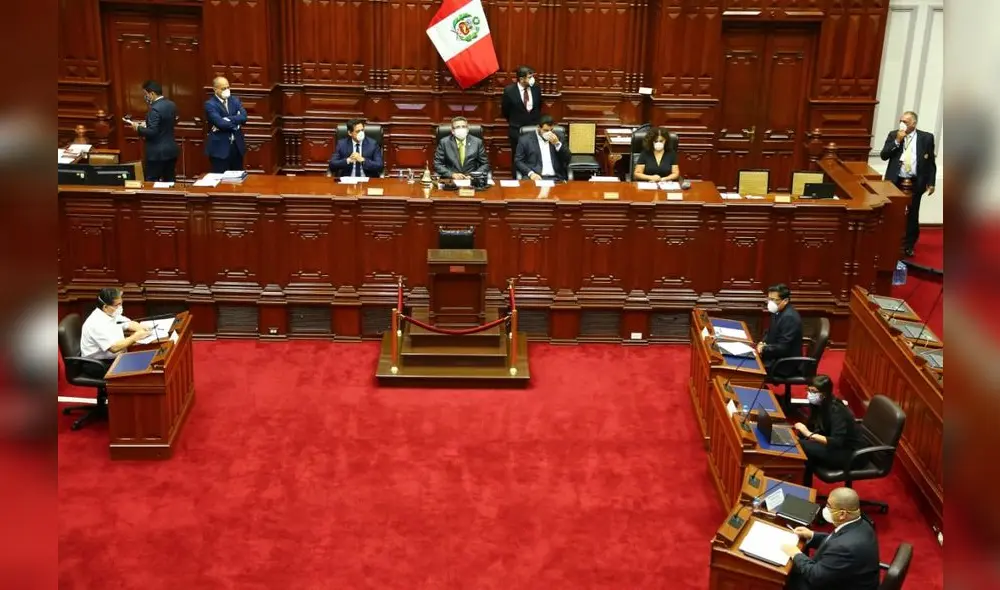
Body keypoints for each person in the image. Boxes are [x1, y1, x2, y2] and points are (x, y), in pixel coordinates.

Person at [781, 487, 880, 590]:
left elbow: (816, 577)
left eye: (829, 506)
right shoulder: (862, 524)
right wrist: (812, 535)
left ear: (842, 514)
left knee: (780, 577)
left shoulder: (845, 548)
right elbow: (835, 539)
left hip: (829, 584)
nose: (825, 509)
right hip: (842, 577)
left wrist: (795, 554)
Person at [879, 110, 937, 257]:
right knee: (892, 212)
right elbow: (884, 155)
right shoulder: (894, 135)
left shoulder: (926, 138)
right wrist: (897, 141)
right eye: (901, 121)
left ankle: (908, 245)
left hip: (915, 182)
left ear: (913, 124)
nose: (902, 124)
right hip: (896, 181)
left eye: (905, 122)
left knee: (912, 213)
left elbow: (930, 162)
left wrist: (931, 182)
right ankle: (888, 242)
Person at [793, 375, 863, 486]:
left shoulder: (837, 411)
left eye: (814, 391)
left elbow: (836, 441)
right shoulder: (819, 405)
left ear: (824, 393)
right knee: (799, 442)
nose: (810, 394)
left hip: (849, 454)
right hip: (835, 447)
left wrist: (808, 434)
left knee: (800, 446)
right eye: (809, 390)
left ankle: (803, 488)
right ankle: (805, 486)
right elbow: (816, 426)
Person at [79, 288, 151, 378]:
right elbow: (114, 348)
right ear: (105, 307)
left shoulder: (111, 313)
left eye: (121, 303)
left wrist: (141, 328)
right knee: (143, 372)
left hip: (116, 357)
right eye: (118, 305)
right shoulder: (94, 324)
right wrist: (135, 337)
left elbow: (128, 323)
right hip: (99, 364)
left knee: (147, 361)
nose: (120, 307)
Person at [128, 80, 179, 182]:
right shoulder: (171, 104)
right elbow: (167, 123)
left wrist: (138, 128)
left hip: (157, 153)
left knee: (151, 181)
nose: (145, 97)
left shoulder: (154, 109)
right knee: (169, 181)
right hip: (171, 150)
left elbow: (152, 132)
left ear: (152, 93)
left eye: (145, 94)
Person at [501, 66, 542, 174]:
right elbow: (505, 110)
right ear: (521, 79)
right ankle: (516, 180)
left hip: (533, 129)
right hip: (516, 130)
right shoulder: (509, 90)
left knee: (534, 155)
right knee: (517, 157)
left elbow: (539, 107)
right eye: (530, 77)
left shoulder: (536, 88)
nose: (532, 79)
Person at [756, 283, 803, 378]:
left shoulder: (789, 318)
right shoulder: (777, 311)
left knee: (749, 369)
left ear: (785, 301)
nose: (770, 303)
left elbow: (783, 348)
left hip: (784, 364)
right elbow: (769, 331)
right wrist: (762, 342)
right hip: (775, 355)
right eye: (769, 299)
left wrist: (764, 349)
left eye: (773, 300)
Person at [204, 76, 247, 173]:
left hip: (236, 148)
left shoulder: (235, 100)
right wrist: (236, 123)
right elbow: (220, 123)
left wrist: (228, 119)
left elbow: (244, 117)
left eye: (228, 87)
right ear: (215, 89)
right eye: (223, 88)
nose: (227, 90)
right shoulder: (210, 104)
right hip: (220, 149)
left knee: (238, 180)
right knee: (221, 181)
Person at [514, 115, 570, 181]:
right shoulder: (525, 140)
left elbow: (567, 158)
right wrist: (531, 174)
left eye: (551, 130)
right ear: (538, 127)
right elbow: (518, 161)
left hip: (556, 178)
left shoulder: (559, 137)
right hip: (534, 178)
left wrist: (557, 144)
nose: (549, 133)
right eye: (546, 130)